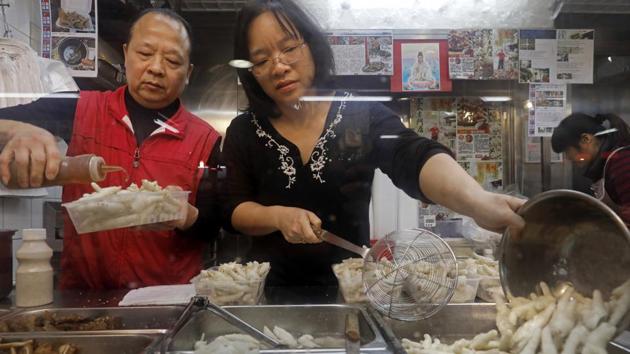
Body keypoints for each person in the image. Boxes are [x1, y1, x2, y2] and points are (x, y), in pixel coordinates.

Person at [222, 0, 525, 287]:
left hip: (353, 287)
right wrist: (278, 216)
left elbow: (414, 156)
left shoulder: (359, 114)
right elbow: (235, 208)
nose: (278, 66)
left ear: (312, 47)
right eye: (261, 60)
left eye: (289, 48)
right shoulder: (244, 130)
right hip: (267, 292)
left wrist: (477, 201)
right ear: (251, 73)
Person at [0, 9, 222, 289]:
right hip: (84, 298)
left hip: (167, 302)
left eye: (172, 60)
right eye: (145, 54)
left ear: (188, 73)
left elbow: (214, 225)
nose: (156, 68)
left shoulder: (206, 139)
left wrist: (189, 218)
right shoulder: (80, 107)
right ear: (126, 54)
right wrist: (15, 130)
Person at [551, 113, 630, 224]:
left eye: (567, 151)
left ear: (586, 139)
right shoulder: (605, 164)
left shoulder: (622, 163)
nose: (568, 158)